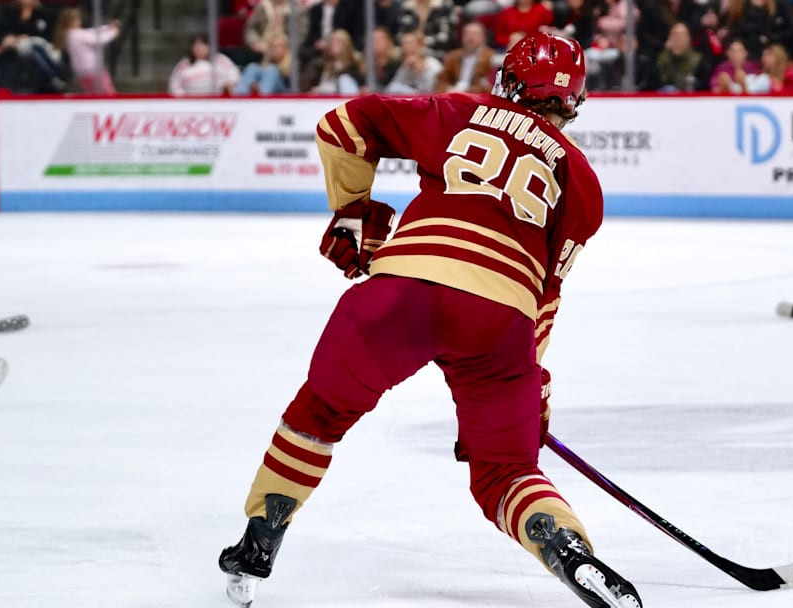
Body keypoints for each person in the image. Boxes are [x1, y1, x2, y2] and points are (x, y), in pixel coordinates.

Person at [218, 31, 643, 608]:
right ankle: (567, 549)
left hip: (405, 291)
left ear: (508, 82)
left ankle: (260, 537)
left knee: (320, 411)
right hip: (500, 320)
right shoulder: (582, 184)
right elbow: (544, 298)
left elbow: (342, 125)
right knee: (505, 472)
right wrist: (530, 382)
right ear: (572, 101)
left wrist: (353, 213)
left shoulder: (461, 112)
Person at [168, 34, 242, 96]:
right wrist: (183, 98)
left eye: (202, 45)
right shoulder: (184, 63)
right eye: (195, 45)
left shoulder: (220, 59)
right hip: (192, 101)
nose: (198, 48)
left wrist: (229, 84)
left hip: (219, 100)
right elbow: (175, 82)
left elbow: (233, 72)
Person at [434, 20, 494, 93]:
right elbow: (442, 79)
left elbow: (488, 84)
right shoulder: (453, 56)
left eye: (475, 34)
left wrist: (466, 91)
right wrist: (446, 89)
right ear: (462, 36)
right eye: (467, 34)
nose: (470, 38)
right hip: (453, 94)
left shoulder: (490, 57)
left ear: (483, 37)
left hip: (476, 97)